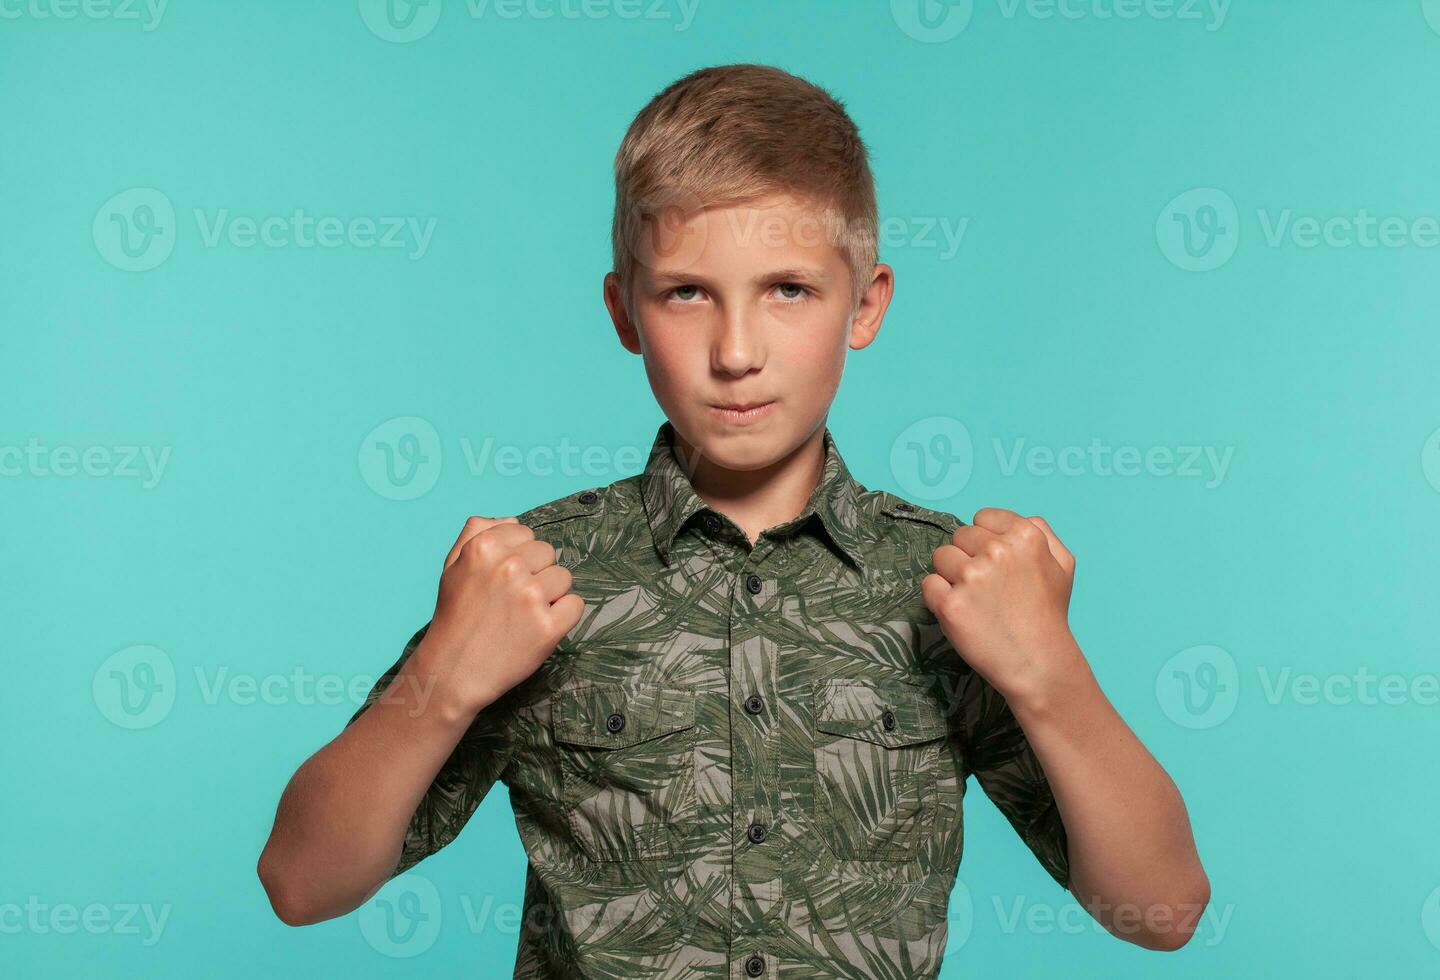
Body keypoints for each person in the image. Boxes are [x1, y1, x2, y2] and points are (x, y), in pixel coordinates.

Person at [256, 62, 1209, 977]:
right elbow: (301, 884)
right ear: (625, 311)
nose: (737, 351)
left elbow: (1162, 911)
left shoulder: (949, 585)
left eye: (788, 289)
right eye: (686, 293)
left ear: (864, 305)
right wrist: (443, 680)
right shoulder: (539, 575)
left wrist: (1053, 677)